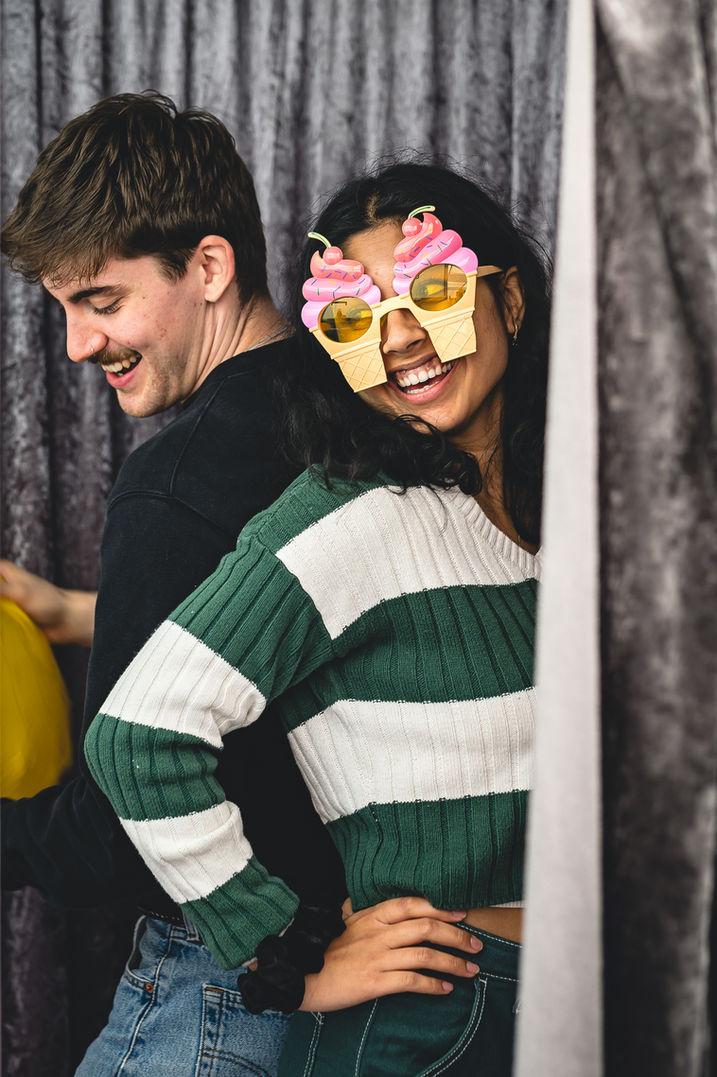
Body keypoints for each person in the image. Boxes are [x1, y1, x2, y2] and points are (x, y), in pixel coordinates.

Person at [1, 95, 479, 1076]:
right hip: (392, 986)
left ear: (210, 267)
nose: (78, 343)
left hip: (227, 987)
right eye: (64, 309)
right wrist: (84, 614)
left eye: (101, 302)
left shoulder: (175, 487)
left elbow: (121, 829)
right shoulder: (371, 399)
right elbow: (318, 633)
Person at [85, 162, 549, 1076]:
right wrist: (283, 954)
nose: (401, 338)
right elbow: (137, 738)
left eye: (431, 292)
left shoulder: (573, 516)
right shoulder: (349, 514)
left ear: (509, 300)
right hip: (431, 1028)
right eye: (355, 318)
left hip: (584, 998)